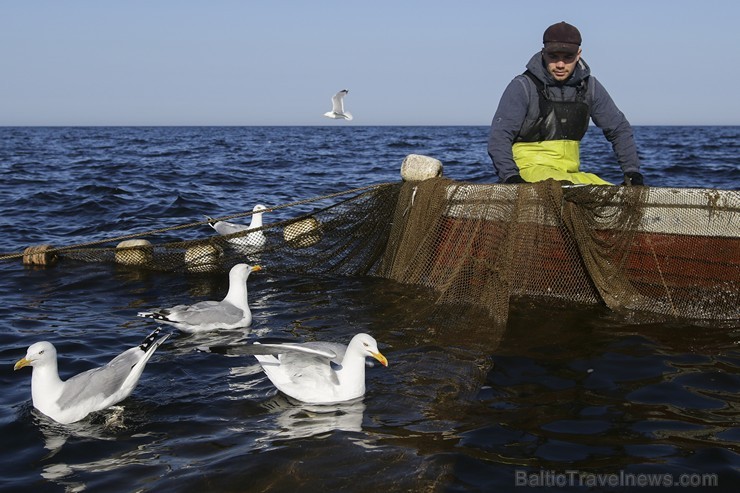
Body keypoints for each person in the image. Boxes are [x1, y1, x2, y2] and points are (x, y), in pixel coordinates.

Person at [487, 21, 644, 186]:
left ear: (578, 55)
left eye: (568, 57)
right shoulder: (522, 87)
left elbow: (619, 129)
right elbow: (499, 136)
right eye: (553, 57)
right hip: (528, 171)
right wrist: (510, 176)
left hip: (571, 174)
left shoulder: (590, 87)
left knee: (606, 190)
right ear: (543, 53)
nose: (560, 65)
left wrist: (632, 171)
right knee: (562, 187)